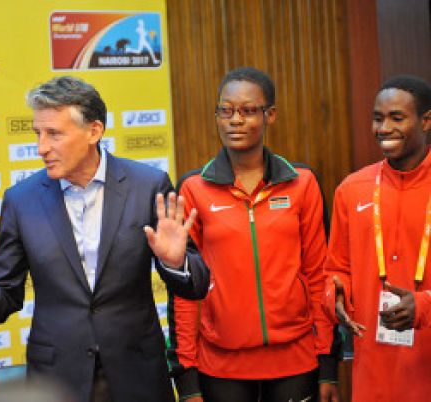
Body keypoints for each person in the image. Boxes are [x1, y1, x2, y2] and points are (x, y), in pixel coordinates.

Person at [0, 76, 210, 402]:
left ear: (94, 131)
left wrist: (175, 262)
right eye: (38, 134)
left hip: (137, 372)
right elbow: (5, 294)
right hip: (57, 379)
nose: (42, 147)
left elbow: (195, 285)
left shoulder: (148, 186)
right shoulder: (22, 200)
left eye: (54, 134)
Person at [167, 67, 338, 402]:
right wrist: (186, 379)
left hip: (296, 360)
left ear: (269, 115)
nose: (235, 120)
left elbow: (319, 277)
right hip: (221, 366)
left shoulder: (302, 183)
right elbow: (187, 294)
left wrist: (328, 364)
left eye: (247, 111)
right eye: (226, 111)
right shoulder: (193, 189)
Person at [324, 75, 431, 401]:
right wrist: (335, 297)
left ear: (426, 121)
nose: (384, 128)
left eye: (397, 118)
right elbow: (335, 268)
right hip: (374, 369)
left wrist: (425, 303)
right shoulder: (351, 188)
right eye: (377, 118)